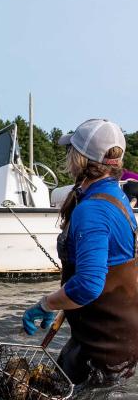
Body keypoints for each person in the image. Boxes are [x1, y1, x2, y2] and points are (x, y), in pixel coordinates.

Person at [22, 119, 138, 386]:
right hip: (105, 336)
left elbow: (88, 285)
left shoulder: (93, 210)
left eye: (70, 150)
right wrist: (64, 303)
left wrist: (45, 303)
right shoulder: (115, 197)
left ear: (80, 159)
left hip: (105, 350)